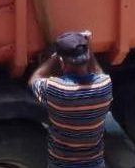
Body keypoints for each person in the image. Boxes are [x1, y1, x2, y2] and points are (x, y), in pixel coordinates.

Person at [29, 31, 113, 168]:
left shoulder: (55, 89)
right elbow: (97, 70)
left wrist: (55, 57)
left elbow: (35, 79)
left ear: (62, 62)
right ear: (86, 57)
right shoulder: (104, 85)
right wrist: (87, 45)